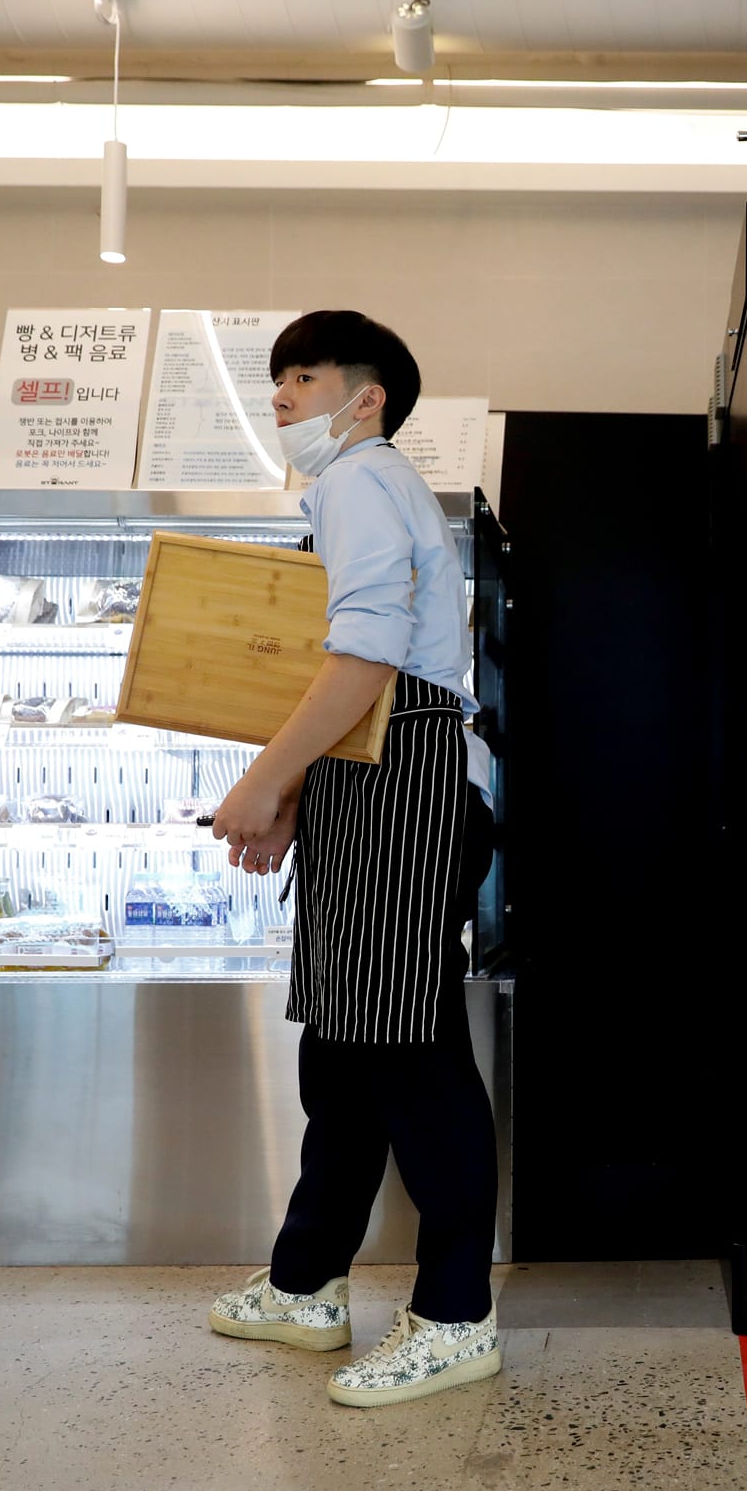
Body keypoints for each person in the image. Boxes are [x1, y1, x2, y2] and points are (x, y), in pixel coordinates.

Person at [199, 311, 500, 1409]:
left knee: (408, 1050)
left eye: (304, 375)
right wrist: (300, 786)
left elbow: (369, 647)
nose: (281, 395)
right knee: (343, 1046)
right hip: (371, 773)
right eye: (276, 378)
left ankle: (457, 1313)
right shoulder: (349, 487)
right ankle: (306, 1282)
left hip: (405, 773)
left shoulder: (362, 480)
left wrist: (265, 779)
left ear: (365, 396)